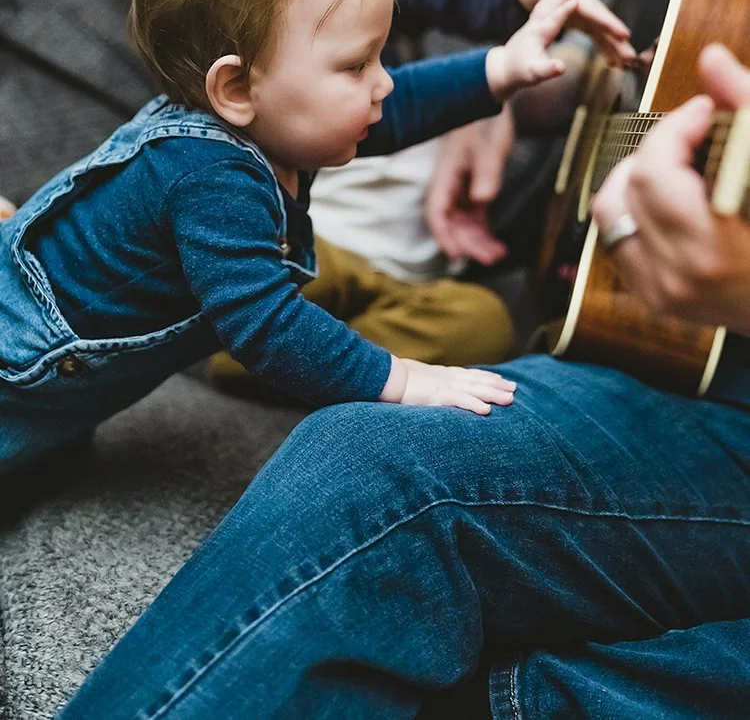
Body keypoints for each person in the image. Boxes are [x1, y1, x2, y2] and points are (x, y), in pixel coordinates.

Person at [57, 43, 750, 719]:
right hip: (684, 382)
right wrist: (522, 96)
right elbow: (629, 47)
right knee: (360, 463)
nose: (382, 82)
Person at [0, 0, 605, 474]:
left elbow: (396, 109)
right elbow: (266, 326)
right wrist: (401, 377)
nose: (383, 82)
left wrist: (501, 68)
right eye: (356, 66)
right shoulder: (208, 174)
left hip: (61, 390)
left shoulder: (275, 125)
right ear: (237, 88)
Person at [113, 0, 631, 376]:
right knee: (279, 279)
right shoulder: (204, 102)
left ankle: (289, 357)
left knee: (482, 323)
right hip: (303, 256)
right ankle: (262, 339)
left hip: (404, 280)